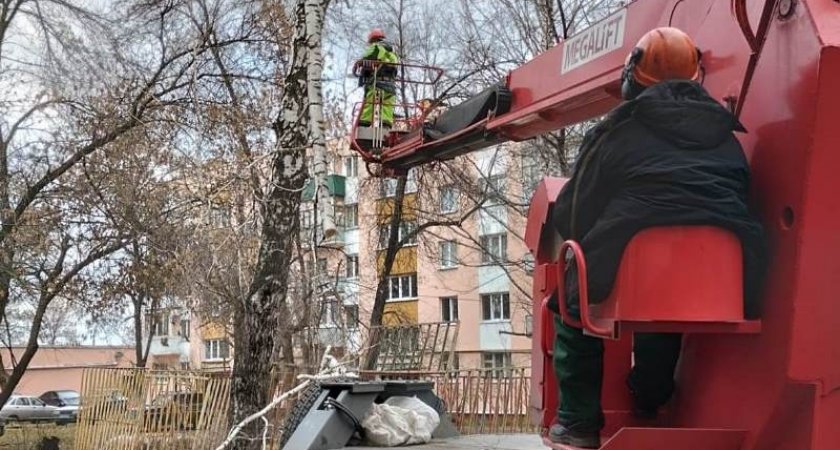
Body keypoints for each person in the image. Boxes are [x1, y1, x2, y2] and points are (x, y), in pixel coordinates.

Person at [547, 27, 767, 448]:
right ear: (695, 77)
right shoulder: (729, 140)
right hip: (727, 278)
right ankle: (650, 395)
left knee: (571, 295)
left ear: (632, 75)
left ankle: (577, 422)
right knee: (668, 303)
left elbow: (574, 214)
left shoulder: (618, 131)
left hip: (636, 260)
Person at [358, 28, 399, 128]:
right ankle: (385, 125)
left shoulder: (376, 46)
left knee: (370, 104)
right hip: (391, 85)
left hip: (377, 82)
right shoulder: (393, 51)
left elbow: (366, 58)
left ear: (372, 40)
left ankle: (363, 125)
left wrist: (361, 65)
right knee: (388, 105)